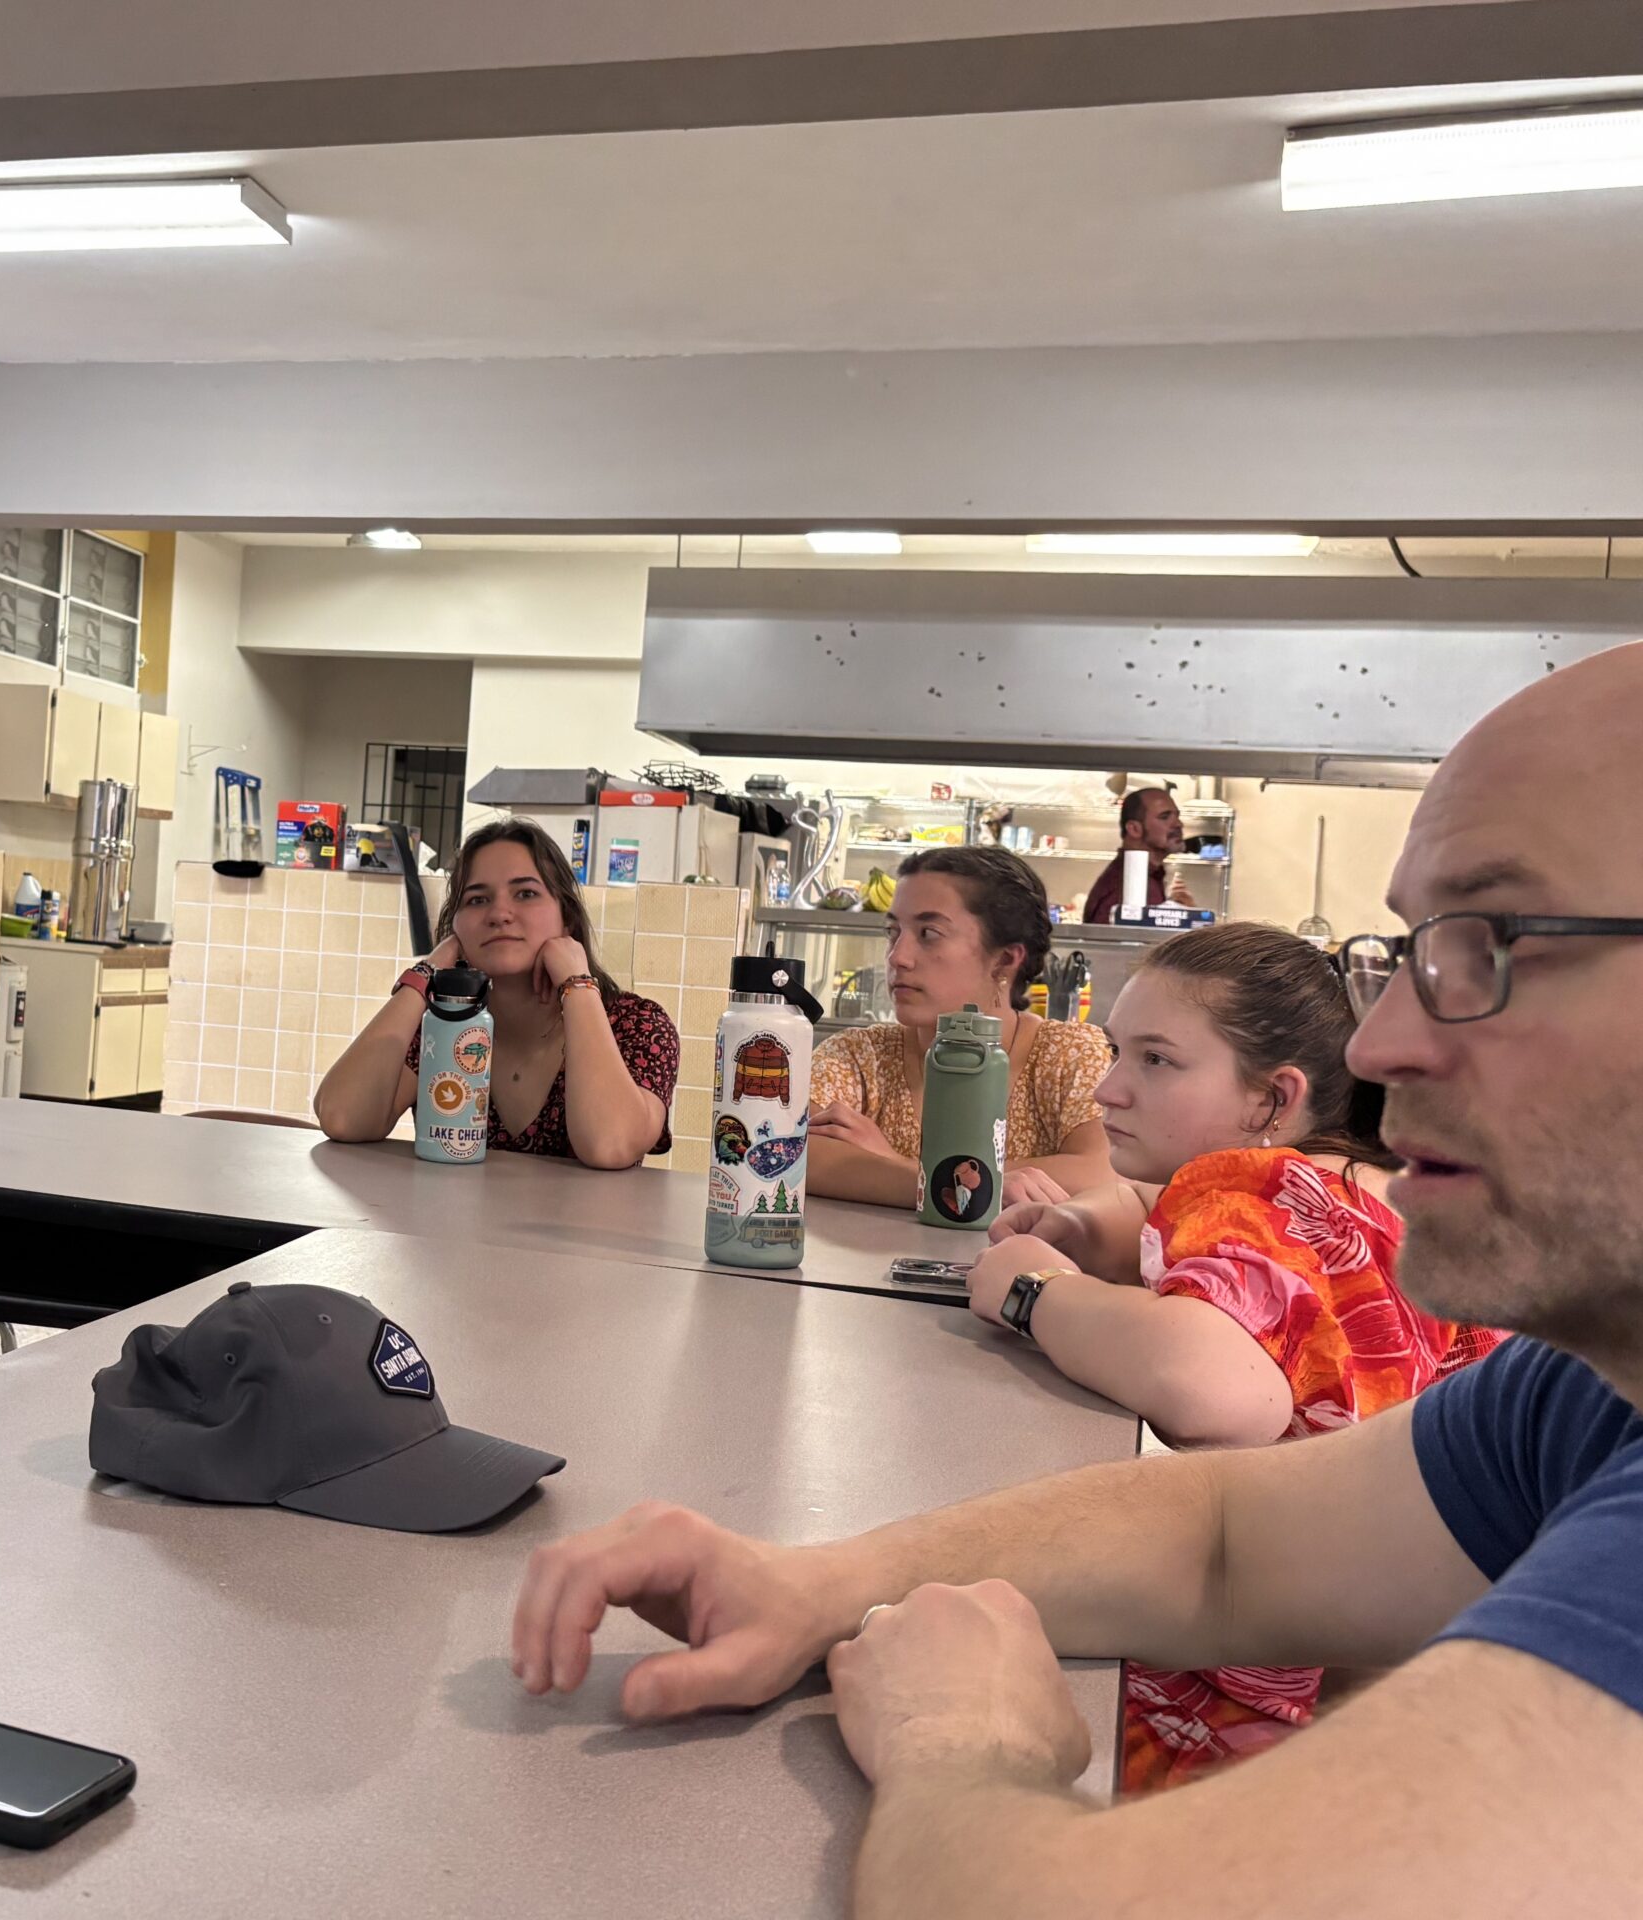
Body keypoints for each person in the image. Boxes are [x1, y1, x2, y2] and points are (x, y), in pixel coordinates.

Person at [505, 641, 1643, 1915]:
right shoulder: (1592, 1393)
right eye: (1415, 949)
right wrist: (813, 1582)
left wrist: (961, 1748)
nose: (1378, 1044)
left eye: (1492, 942)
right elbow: (1224, 1539)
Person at [964, 921, 1500, 1792]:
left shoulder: (1245, 1180)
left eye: (1156, 1061)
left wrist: (1031, 1291)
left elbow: (1218, 1386)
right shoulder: (1378, 1195)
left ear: (1270, 1103)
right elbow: (1150, 1213)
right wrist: (1073, 1226)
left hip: (1224, 1714)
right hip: (1386, 1712)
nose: (1108, 1090)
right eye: (1114, 1053)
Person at [313, 818, 678, 1168]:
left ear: (566, 916)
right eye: (476, 899)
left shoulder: (637, 1024)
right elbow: (343, 1117)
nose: (500, 913)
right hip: (447, 1230)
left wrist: (578, 985)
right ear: (454, 929)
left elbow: (610, 1145)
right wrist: (425, 974)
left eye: (525, 893)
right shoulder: (441, 1027)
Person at [807, 847, 1114, 1207]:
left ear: (1004, 959)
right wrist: (966, 1189)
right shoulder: (859, 1056)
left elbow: (1101, 1172)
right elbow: (790, 1152)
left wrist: (894, 1165)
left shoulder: (1068, 1054)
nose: (897, 957)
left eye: (929, 933)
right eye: (893, 931)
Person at [1082, 785, 1196, 923]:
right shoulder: (1123, 886)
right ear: (1134, 829)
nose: (1178, 824)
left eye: (1177, 816)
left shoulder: (1150, 876)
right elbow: (1110, 942)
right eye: (1164, 817)